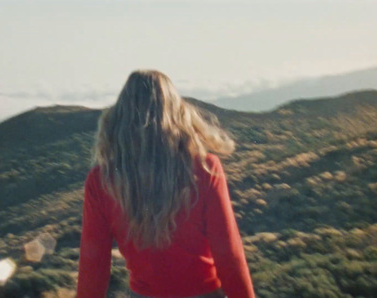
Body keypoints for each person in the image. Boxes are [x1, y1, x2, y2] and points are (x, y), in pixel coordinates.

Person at [76, 70, 256, 298]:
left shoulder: (102, 180)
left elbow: (94, 265)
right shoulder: (205, 168)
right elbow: (228, 254)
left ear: (120, 117)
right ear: (177, 112)